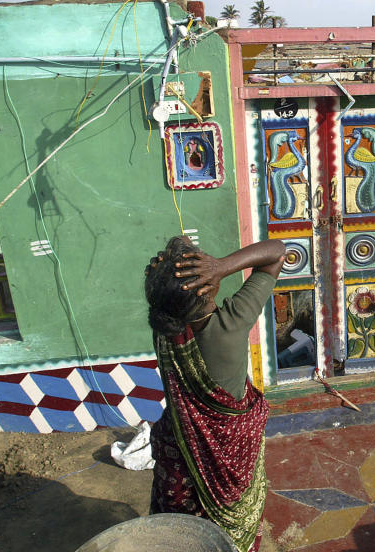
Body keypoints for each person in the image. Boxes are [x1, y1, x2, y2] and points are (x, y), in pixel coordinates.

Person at [144, 236, 284, 552]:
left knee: (184, 534)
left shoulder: (165, 325)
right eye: (202, 264)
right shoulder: (230, 324)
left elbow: (165, 292)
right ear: (208, 288)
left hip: (180, 448)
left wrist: (160, 278)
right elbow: (276, 253)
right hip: (229, 456)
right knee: (223, 536)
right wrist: (221, 266)